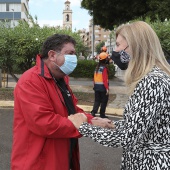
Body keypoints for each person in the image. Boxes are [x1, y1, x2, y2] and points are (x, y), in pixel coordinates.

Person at [68, 21, 170, 169]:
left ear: (135, 46)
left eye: (117, 44)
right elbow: (140, 126)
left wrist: (83, 127)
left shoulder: (153, 81)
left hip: (151, 163)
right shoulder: (152, 77)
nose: (114, 51)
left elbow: (127, 138)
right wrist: (112, 124)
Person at [11, 34, 114, 170]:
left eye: (74, 54)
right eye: (70, 53)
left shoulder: (61, 79)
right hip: (37, 163)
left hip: (62, 158)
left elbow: (72, 110)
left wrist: (93, 119)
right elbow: (44, 123)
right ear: (52, 55)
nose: (74, 58)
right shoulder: (30, 81)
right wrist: (89, 123)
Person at [91, 52, 110, 118]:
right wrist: (107, 89)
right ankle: (102, 114)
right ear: (105, 60)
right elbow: (105, 80)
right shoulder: (104, 68)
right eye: (107, 58)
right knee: (104, 101)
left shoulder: (97, 67)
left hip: (96, 87)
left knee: (97, 100)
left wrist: (94, 85)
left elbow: (94, 78)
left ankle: (93, 112)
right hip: (103, 88)